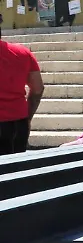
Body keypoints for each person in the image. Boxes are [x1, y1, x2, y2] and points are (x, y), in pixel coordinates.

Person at [0, 25, 43, 155]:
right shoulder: (22, 53)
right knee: (16, 171)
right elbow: (38, 89)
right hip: (18, 124)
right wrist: (27, 118)